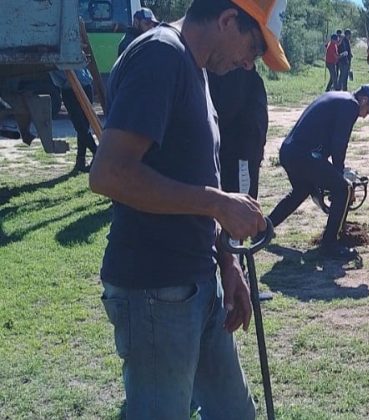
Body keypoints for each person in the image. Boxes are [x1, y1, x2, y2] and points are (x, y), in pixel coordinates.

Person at [88, 0, 290, 418]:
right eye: (254, 49)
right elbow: (108, 173)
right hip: (154, 291)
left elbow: (196, 172)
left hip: (198, 283)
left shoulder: (194, 68)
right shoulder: (160, 55)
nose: (250, 65)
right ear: (228, 19)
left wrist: (227, 262)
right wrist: (217, 203)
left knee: (235, 413)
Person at [268, 85, 369, 258]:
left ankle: (264, 227)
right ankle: (330, 244)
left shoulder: (340, 97)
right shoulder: (350, 105)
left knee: (302, 190)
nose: (366, 115)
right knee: (343, 190)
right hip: (303, 155)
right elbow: (339, 142)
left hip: (289, 151)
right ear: (364, 100)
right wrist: (340, 175)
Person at [209, 66, 268, 199]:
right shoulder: (239, 74)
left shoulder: (239, 76)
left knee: (242, 204)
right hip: (234, 154)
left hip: (241, 155)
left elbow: (226, 110)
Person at [49, 69, 98, 172]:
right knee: (82, 126)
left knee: (82, 126)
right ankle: (82, 160)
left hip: (80, 85)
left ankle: (96, 153)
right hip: (74, 87)